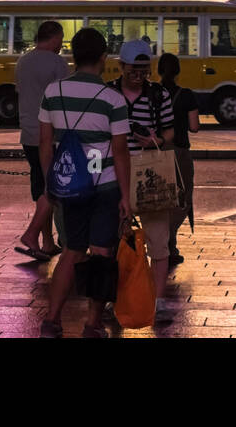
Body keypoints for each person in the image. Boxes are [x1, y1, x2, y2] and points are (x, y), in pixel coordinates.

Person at [38, 27, 130, 339]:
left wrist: (54, 181)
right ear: (103, 58)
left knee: (72, 251)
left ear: (72, 56)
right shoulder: (112, 99)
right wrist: (126, 197)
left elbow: (45, 143)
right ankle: (92, 324)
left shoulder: (53, 92)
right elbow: (120, 152)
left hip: (70, 187)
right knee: (101, 252)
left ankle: (51, 320)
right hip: (104, 186)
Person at [112, 39, 176, 323]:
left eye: (143, 69)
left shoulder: (158, 94)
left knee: (159, 241)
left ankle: (159, 301)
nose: (139, 74)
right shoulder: (109, 94)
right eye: (133, 69)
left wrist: (156, 140)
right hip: (115, 173)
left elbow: (171, 132)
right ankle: (115, 299)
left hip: (150, 171)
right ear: (121, 66)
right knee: (116, 242)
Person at [14, 20, 69, 262]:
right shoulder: (58, 62)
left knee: (40, 186)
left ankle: (47, 242)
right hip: (51, 134)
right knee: (54, 187)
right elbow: (63, 98)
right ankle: (32, 233)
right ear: (55, 38)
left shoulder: (22, 61)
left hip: (28, 133)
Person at [159, 51, 199, 267]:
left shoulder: (151, 93)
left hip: (154, 152)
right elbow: (194, 127)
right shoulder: (186, 95)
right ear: (178, 71)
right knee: (181, 201)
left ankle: (165, 245)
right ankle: (167, 241)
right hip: (179, 152)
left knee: (158, 200)